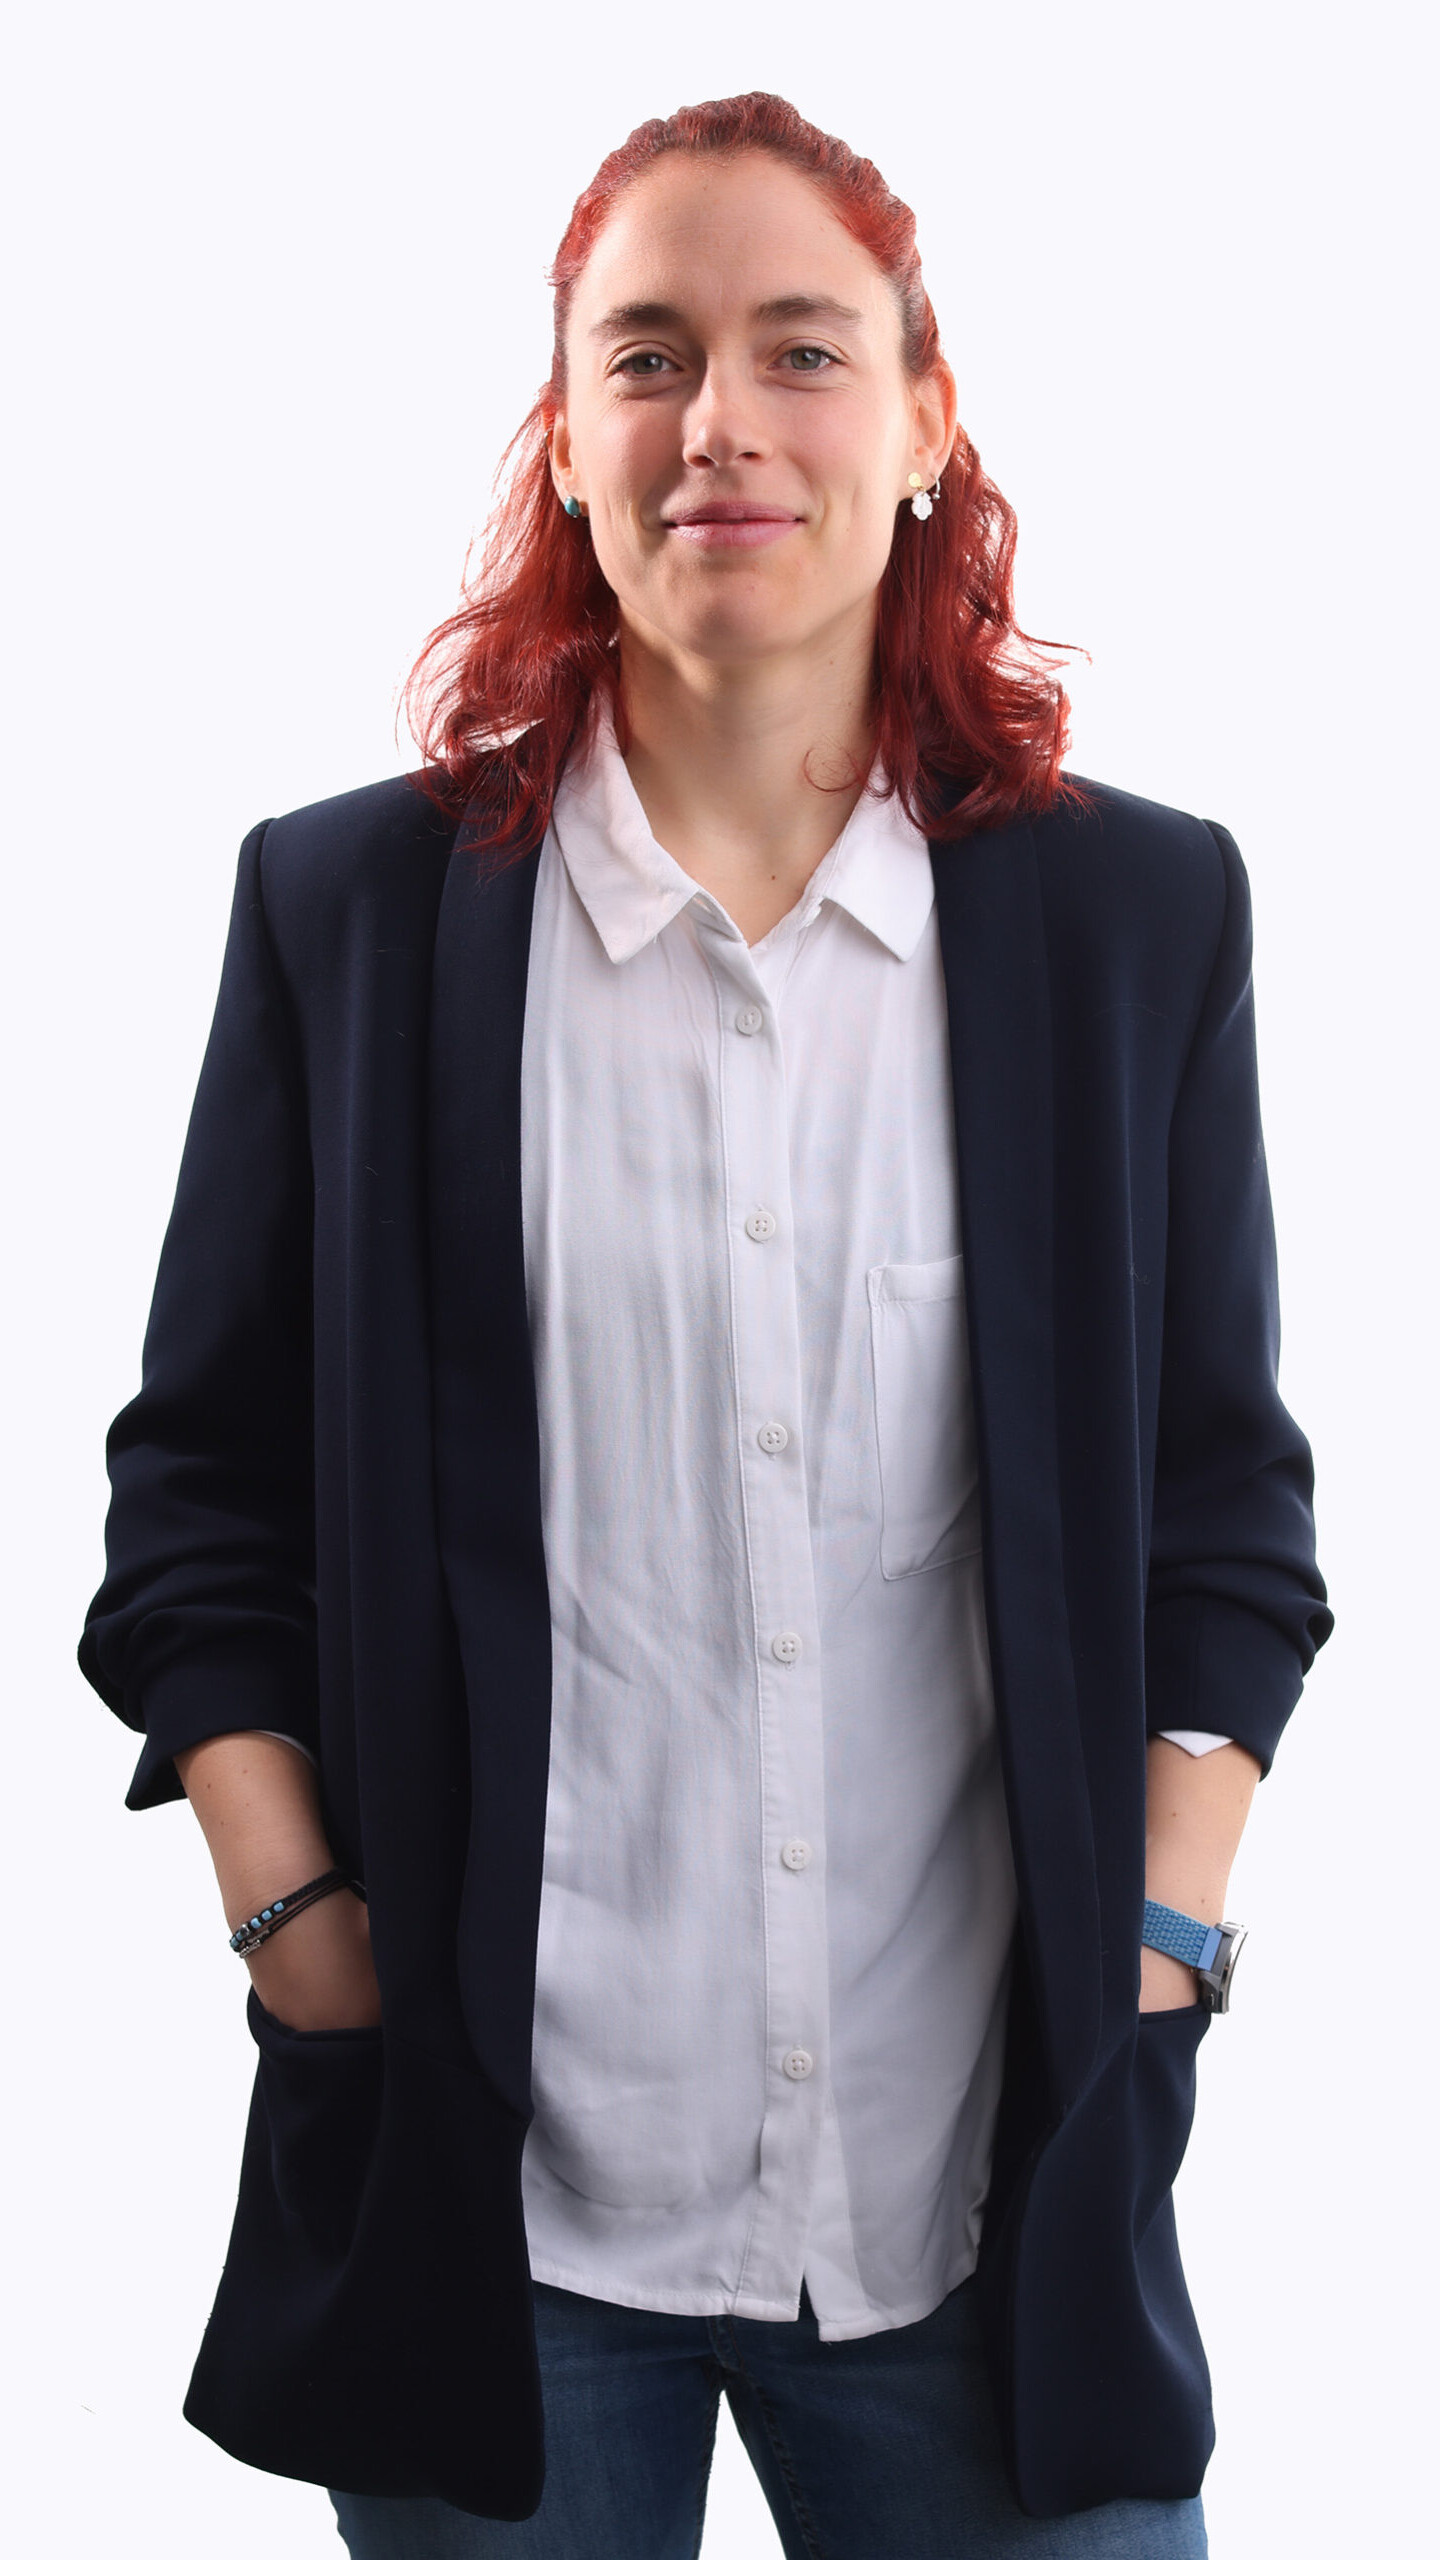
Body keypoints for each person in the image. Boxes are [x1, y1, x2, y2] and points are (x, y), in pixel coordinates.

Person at [80, 91, 1332, 2560]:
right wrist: (298, 1927)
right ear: (566, 437)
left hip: (983, 2205)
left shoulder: (1134, 923)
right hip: (492, 2213)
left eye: (802, 350)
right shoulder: (351, 918)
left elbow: (1225, 1503)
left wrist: (1170, 1930)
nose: (719, 422)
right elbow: (198, 1495)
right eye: (645, 355)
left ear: (927, 418)